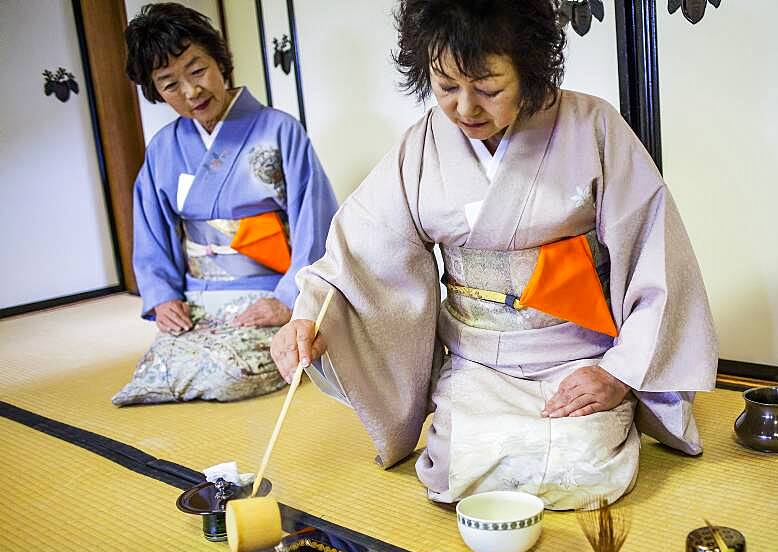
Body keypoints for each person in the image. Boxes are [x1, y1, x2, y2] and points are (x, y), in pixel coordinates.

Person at [272, 0, 718, 509]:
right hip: (478, 364)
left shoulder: (593, 126)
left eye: (488, 88)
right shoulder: (419, 148)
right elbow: (358, 255)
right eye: (445, 87)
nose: (465, 108)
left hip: (577, 357)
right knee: (458, 468)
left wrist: (618, 374)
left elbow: (654, 254)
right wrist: (309, 318)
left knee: (585, 464)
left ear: (528, 68)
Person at [113, 3, 337, 406]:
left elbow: (314, 224)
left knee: (227, 374)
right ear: (155, 91)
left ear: (219, 60)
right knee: (157, 372)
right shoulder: (164, 148)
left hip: (269, 294)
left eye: (197, 71)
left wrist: (288, 300)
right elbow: (151, 232)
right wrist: (164, 298)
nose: (191, 91)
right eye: (169, 83)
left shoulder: (280, 130)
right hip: (198, 298)